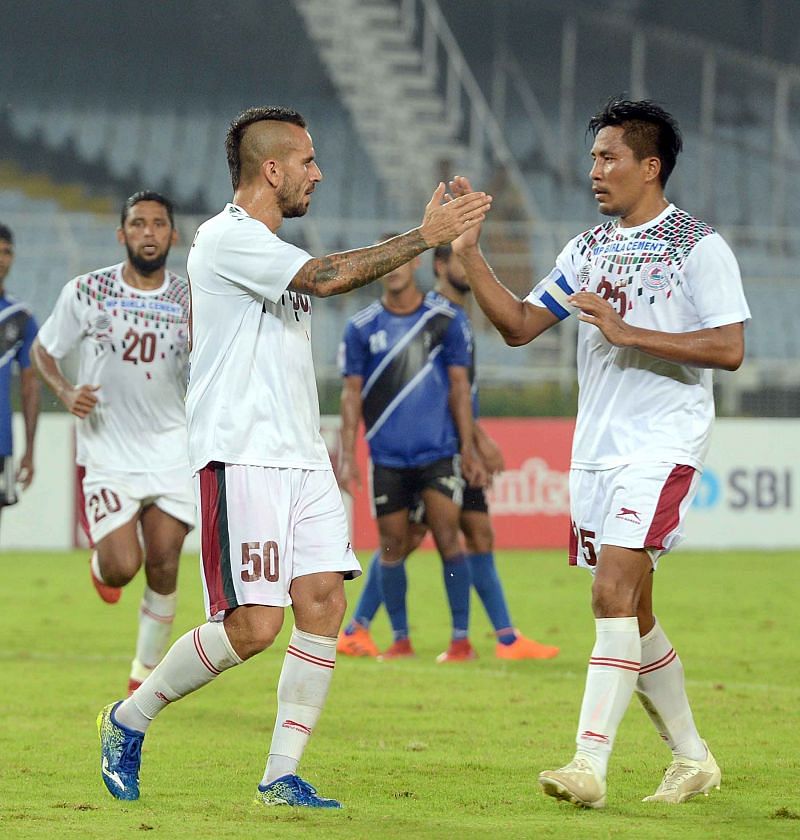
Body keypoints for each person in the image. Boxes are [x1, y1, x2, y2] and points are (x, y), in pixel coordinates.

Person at [94, 106, 492, 808]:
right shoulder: (226, 238)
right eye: (308, 160)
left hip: (300, 455)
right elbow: (331, 277)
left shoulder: (273, 250)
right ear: (271, 169)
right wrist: (424, 238)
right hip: (241, 454)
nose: (319, 172)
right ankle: (129, 718)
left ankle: (280, 774)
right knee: (253, 627)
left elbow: (319, 278)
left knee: (322, 604)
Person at [450, 98, 750, 808]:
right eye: (592, 158)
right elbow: (522, 325)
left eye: (609, 157)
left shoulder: (699, 246)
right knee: (634, 612)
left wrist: (629, 331)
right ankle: (691, 757)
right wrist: (469, 255)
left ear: (650, 167)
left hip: (662, 443)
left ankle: (589, 764)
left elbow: (729, 347)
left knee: (608, 592)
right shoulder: (587, 248)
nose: (594, 170)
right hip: (597, 453)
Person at [337, 243, 559, 662]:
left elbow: (458, 389)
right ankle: (362, 628)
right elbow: (435, 394)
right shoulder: (434, 317)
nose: (473, 268)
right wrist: (474, 440)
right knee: (414, 539)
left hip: (451, 445)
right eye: (462, 260)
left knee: (467, 534)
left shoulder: (457, 318)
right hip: (439, 447)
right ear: (438, 267)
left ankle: (503, 637)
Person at [32, 191, 194, 695]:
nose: (149, 233)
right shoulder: (86, 291)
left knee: (165, 558)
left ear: (173, 235)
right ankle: (102, 565)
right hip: (107, 451)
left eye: (159, 224)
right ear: (122, 234)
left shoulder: (192, 298)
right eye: (139, 224)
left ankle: (142, 676)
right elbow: (44, 349)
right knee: (125, 567)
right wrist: (64, 390)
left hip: (172, 446)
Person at [336, 243, 487, 663]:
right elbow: (350, 397)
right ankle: (399, 638)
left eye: (402, 260)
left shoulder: (445, 321)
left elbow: (460, 389)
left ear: (415, 263)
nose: (395, 269)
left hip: (437, 452)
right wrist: (347, 456)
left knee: (447, 538)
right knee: (391, 546)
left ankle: (461, 639)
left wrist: (469, 448)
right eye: (387, 261)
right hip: (387, 457)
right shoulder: (361, 327)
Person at [0, 224, 40, 531]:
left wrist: (29, 449)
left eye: (7, 252)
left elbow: (30, 384)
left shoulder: (19, 317)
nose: (1, 259)